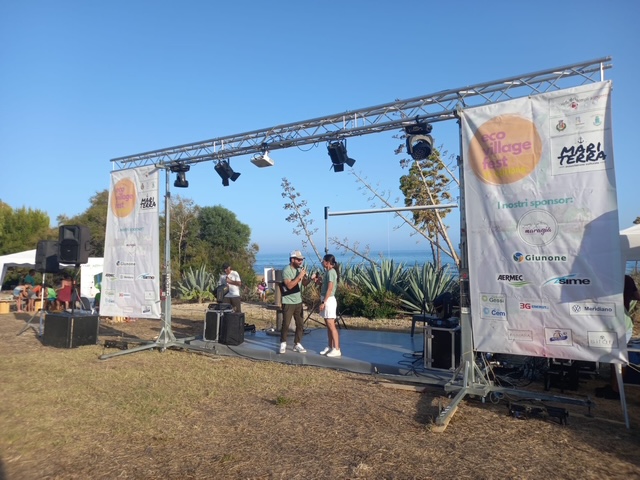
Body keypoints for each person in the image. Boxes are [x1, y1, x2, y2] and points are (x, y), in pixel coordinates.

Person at [596, 274, 640, 399]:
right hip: (615, 323)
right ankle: (613, 386)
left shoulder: (611, 277)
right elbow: (637, 296)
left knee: (618, 358)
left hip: (621, 324)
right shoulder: (626, 278)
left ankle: (616, 390)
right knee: (614, 357)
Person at [279, 250, 315, 354]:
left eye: (301, 260)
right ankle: (283, 343)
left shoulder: (299, 270)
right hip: (288, 301)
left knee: (300, 324)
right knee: (286, 323)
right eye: (298, 259)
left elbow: (304, 283)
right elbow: (289, 286)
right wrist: (299, 276)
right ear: (292, 259)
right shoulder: (286, 270)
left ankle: (297, 343)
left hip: (298, 301)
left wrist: (311, 279)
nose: (300, 261)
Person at [318, 253, 341, 357]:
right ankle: (330, 346)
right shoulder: (327, 272)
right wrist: (319, 281)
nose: (322, 262)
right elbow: (326, 286)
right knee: (328, 325)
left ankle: (337, 349)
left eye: (323, 261)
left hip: (329, 300)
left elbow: (330, 288)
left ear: (327, 262)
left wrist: (324, 302)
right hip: (325, 298)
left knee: (331, 325)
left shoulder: (331, 272)